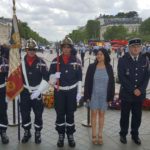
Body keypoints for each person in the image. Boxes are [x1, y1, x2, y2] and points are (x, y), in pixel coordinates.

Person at [49, 36, 82, 148]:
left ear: (71, 48)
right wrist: (54, 77)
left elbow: (79, 79)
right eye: (64, 47)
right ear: (61, 48)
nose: (66, 49)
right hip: (60, 92)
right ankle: (61, 135)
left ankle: (70, 135)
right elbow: (50, 80)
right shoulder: (55, 61)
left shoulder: (77, 61)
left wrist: (79, 92)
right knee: (60, 114)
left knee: (70, 114)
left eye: (68, 47)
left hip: (72, 92)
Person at [118, 38, 149, 145]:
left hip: (139, 95)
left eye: (137, 46)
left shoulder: (145, 60)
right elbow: (121, 77)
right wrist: (133, 89)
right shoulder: (122, 60)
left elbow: (146, 77)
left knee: (137, 116)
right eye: (133, 47)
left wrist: (140, 89)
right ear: (129, 48)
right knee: (124, 116)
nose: (135, 48)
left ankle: (135, 134)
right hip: (127, 94)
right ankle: (123, 134)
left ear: (141, 48)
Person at [20, 38, 49, 144]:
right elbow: (15, 78)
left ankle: (37, 132)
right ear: (26, 49)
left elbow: (47, 78)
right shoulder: (20, 62)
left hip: (37, 91)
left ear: (36, 50)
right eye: (29, 49)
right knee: (24, 113)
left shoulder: (41, 62)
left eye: (33, 49)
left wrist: (39, 91)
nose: (31, 51)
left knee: (38, 114)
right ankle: (27, 132)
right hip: (24, 92)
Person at [84, 48, 115, 144]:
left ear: (105, 55)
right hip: (94, 95)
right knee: (93, 115)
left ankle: (100, 135)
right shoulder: (91, 67)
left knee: (102, 115)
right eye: (97, 54)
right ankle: (93, 134)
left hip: (104, 96)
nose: (99, 56)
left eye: (101, 54)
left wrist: (110, 97)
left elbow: (112, 83)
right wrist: (87, 96)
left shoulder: (109, 67)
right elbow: (87, 82)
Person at [0, 50, 9, 144]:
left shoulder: (4, 62)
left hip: (1, 91)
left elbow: (10, 76)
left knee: (2, 112)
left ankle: (3, 132)